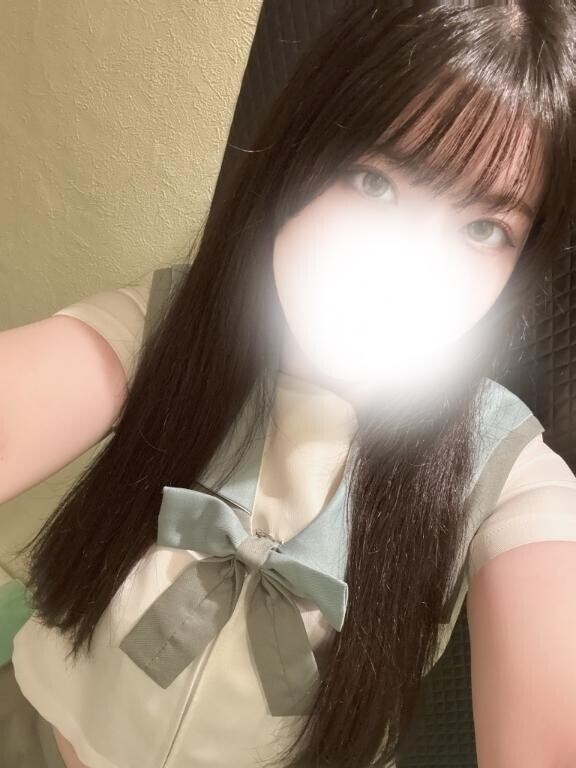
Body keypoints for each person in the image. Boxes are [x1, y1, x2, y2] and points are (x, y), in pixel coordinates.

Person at [1, 2, 576, 767]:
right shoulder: (173, 327)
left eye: (483, 229)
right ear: (299, 155)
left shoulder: (500, 468)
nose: (405, 270)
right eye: (374, 181)